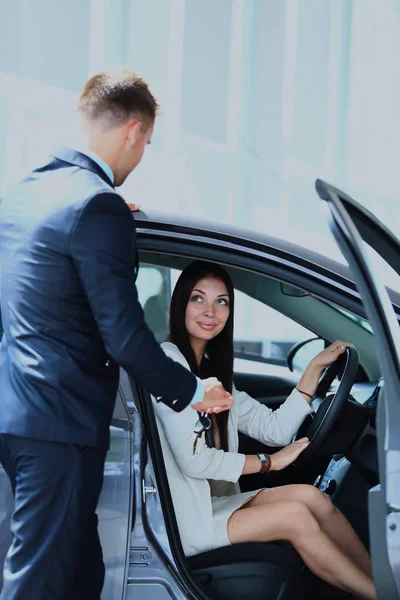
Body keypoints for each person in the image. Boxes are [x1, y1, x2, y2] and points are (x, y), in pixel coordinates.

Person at [0, 70, 233, 600]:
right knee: (38, 582)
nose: (142, 153)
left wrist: (107, 225)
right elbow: (124, 337)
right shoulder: (95, 206)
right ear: (133, 130)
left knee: (78, 574)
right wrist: (196, 393)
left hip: (21, 416)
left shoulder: (29, 192)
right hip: (60, 427)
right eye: (147, 142)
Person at [153, 260, 377, 600]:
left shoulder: (213, 371)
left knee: (310, 497)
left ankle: (384, 583)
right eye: (198, 299)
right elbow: (194, 462)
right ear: (179, 303)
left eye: (222, 301)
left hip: (214, 504)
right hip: (186, 520)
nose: (210, 311)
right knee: (295, 516)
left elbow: (273, 429)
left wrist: (314, 368)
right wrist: (269, 463)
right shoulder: (169, 365)